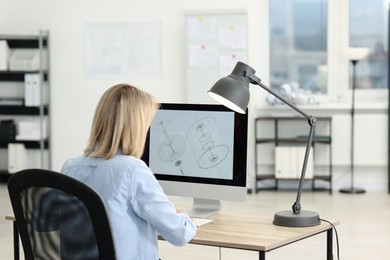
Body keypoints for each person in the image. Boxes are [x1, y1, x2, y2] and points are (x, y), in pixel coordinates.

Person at [61, 83, 197, 260]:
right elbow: (180, 235)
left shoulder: (70, 168)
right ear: (136, 128)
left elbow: (47, 223)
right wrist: (190, 222)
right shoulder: (133, 171)